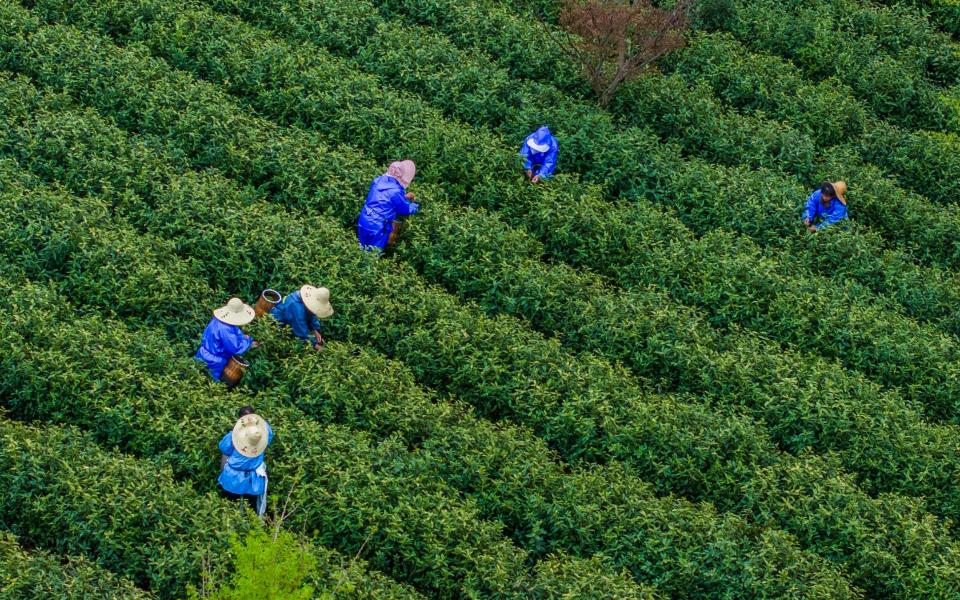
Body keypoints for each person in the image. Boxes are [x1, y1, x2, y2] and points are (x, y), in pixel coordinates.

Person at [218, 406, 273, 516]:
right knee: (251, 509)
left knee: (231, 507)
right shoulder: (264, 431)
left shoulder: (232, 436)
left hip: (233, 478)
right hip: (253, 478)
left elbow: (224, 448)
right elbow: (269, 437)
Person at [357, 160, 419, 252]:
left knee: (361, 247)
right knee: (373, 254)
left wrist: (404, 197)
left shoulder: (377, 180)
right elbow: (404, 209)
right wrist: (414, 206)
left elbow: (383, 199)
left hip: (364, 219)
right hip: (377, 226)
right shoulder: (396, 191)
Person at [195, 298, 258, 382]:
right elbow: (235, 348)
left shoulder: (218, 320)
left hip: (202, 353)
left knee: (195, 375)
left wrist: (243, 338)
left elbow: (235, 335)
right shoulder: (226, 328)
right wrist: (248, 342)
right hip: (214, 362)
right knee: (208, 383)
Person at [270, 285, 334, 350]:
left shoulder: (306, 299)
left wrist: (315, 330)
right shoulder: (296, 307)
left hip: (293, 323)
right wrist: (315, 345)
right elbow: (301, 330)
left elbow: (311, 314)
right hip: (277, 325)